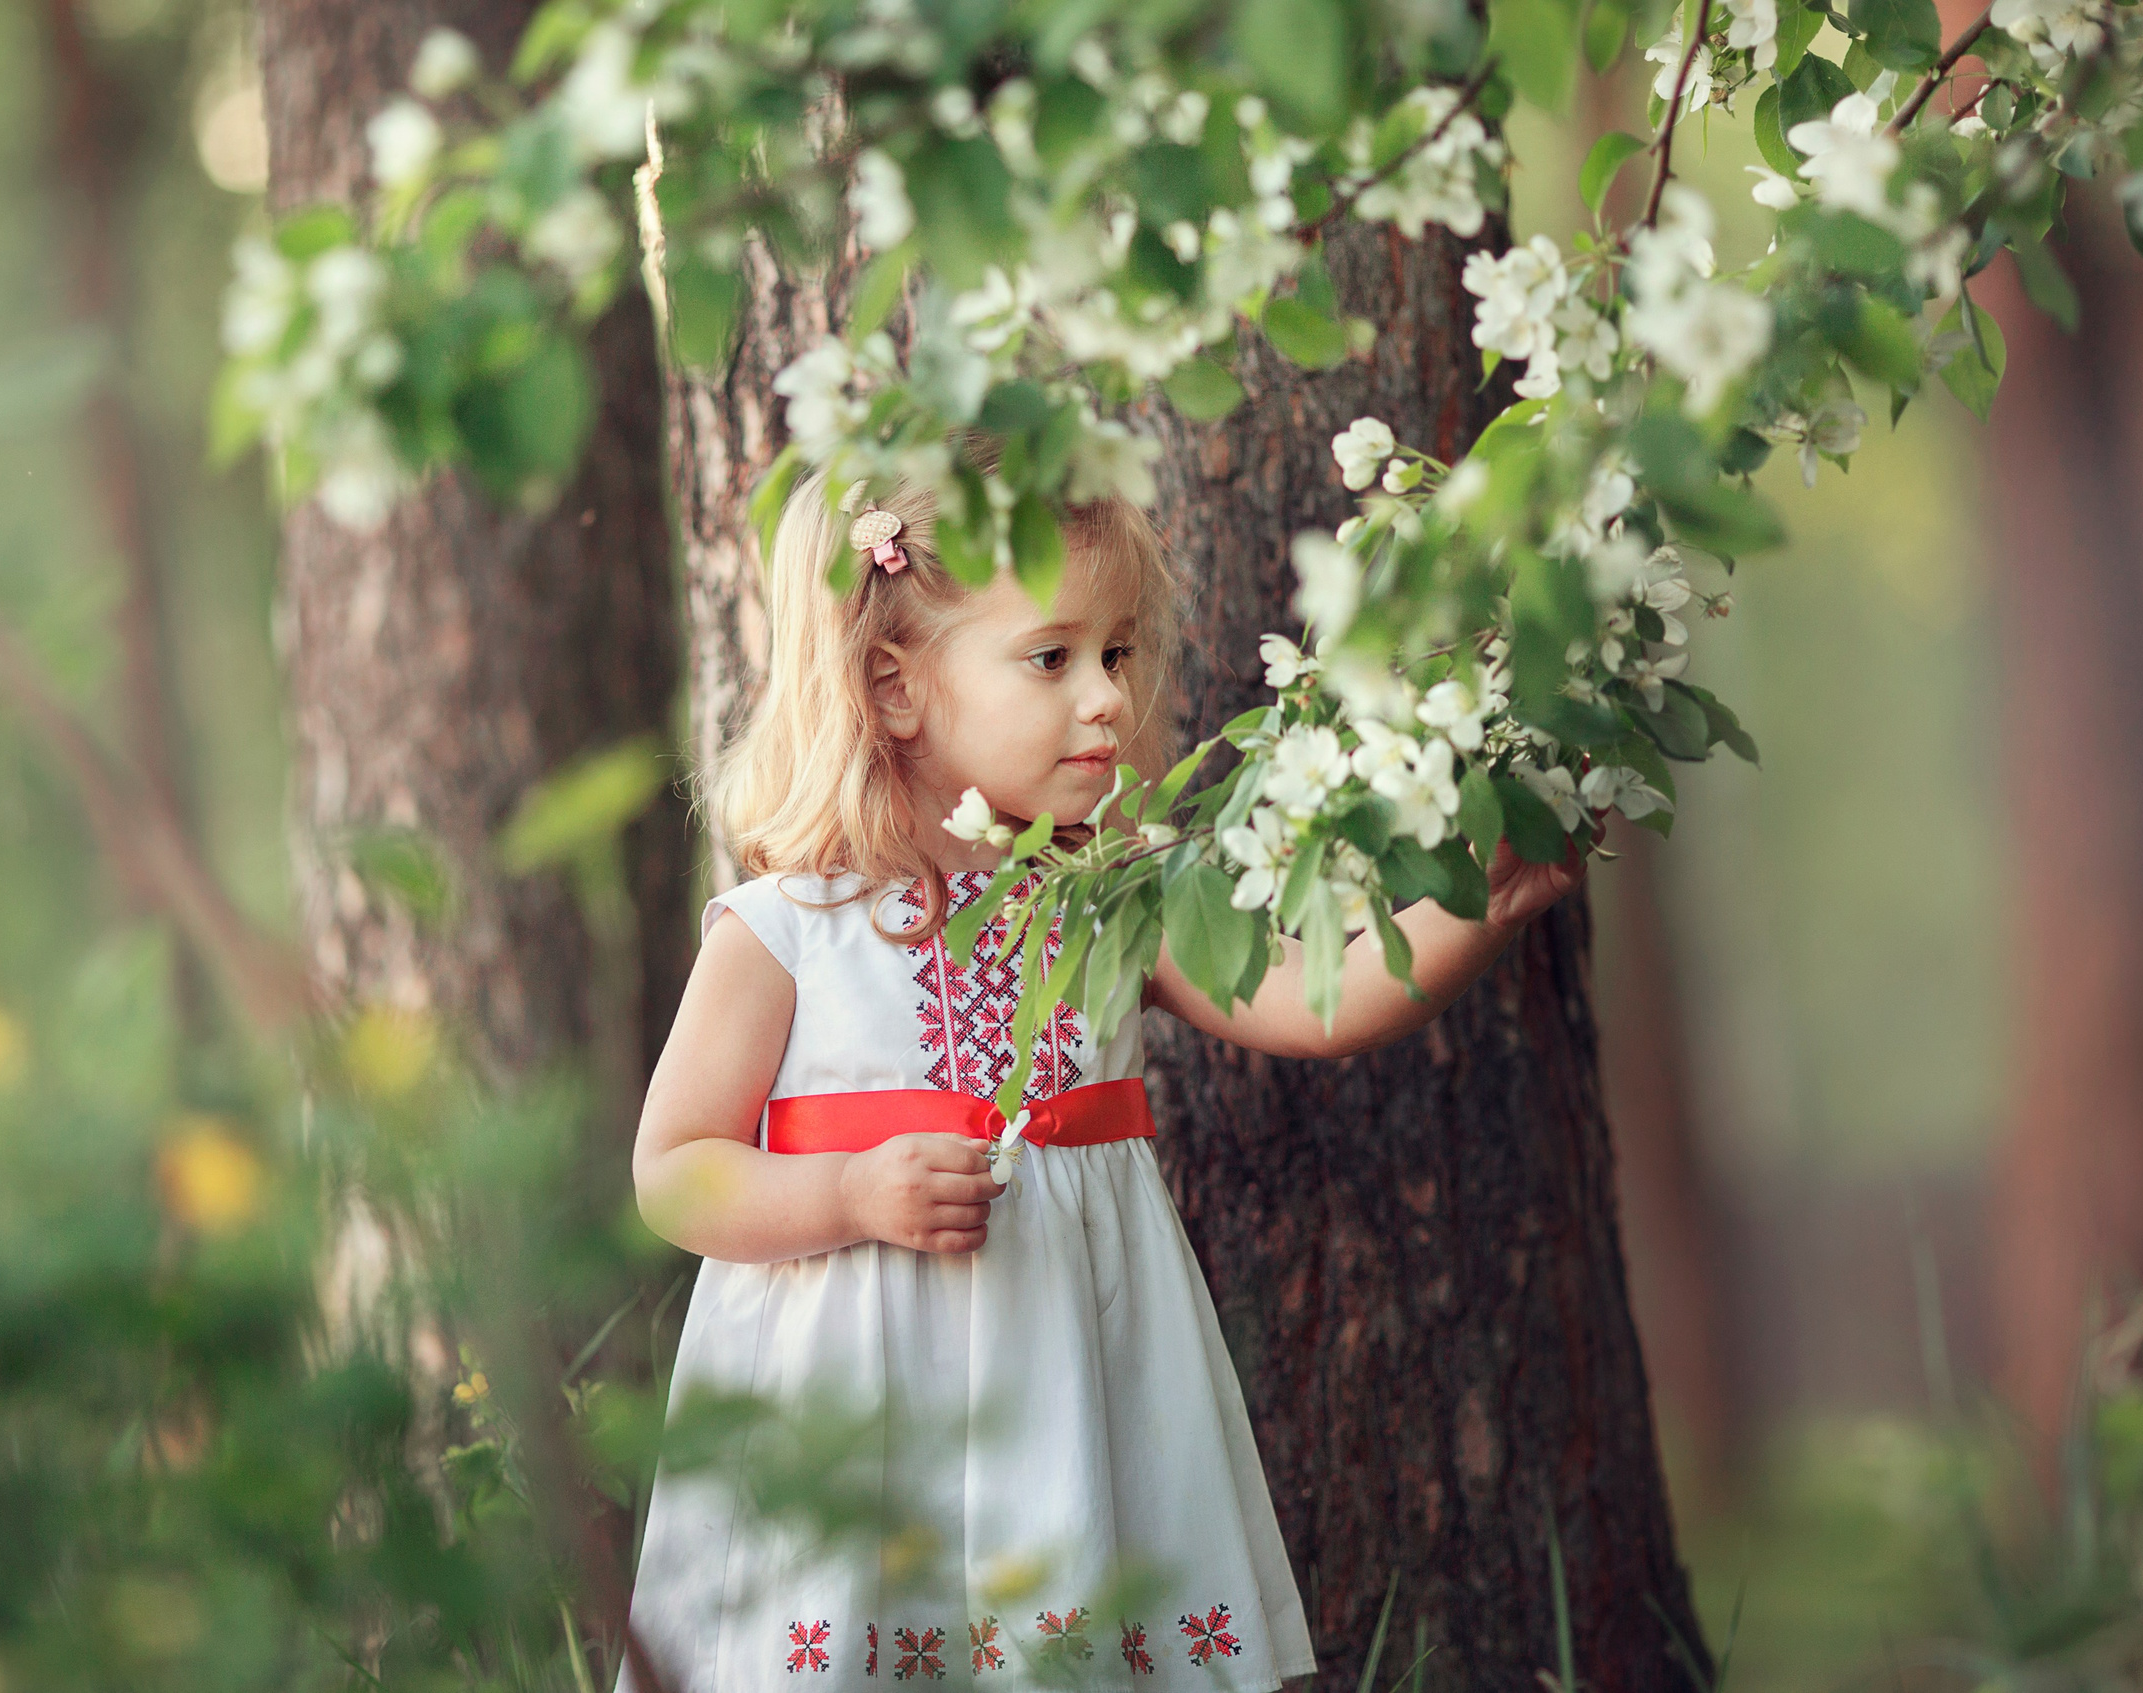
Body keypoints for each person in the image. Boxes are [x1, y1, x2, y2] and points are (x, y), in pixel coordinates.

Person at [622, 464, 1585, 1692]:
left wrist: (1484, 901)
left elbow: (1307, 998)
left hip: (1077, 1380)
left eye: (1119, 656)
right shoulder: (785, 927)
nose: (1108, 701)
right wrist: (850, 1196)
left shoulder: (1113, 892)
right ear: (893, 685)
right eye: (1051, 658)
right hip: (863, 1410)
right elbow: (673, 1172)